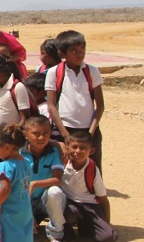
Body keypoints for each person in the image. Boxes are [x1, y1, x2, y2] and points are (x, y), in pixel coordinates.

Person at [45, 30, 105, 169]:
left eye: (82, 48)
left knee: (92, 168)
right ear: (62, 54)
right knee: (64, 169)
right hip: (65, 129)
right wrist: (65, 135)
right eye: (74, 50)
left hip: (89, 129)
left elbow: (100, 105)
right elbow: (51, 106)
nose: (80, 53)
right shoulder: (54, 72)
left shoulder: (92, 71)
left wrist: (91, 133)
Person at [60, 130, 117, 242]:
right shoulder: (63, 163)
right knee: (70, 212)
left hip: (89, 204)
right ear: (67, 147)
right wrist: (58, 144)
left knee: (107, 238)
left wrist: (107, 224)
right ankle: (66, 227)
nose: (78, 151)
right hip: (69, 204)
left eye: (83, 148)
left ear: (91, 151)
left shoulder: (92, 168)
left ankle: (86, 227)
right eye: (74, 147)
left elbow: (103, 199)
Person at [20, 115, 66, 242]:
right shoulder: (19, 153)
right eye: (36, 133)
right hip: (24, 200)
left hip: (43, 200)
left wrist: (34, 183)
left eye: (45, 133)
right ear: (26, 134)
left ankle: (56, 237)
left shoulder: (53, 152)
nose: (41, 138)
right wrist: (28, 214)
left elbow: (57, 180)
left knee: (55, 192)